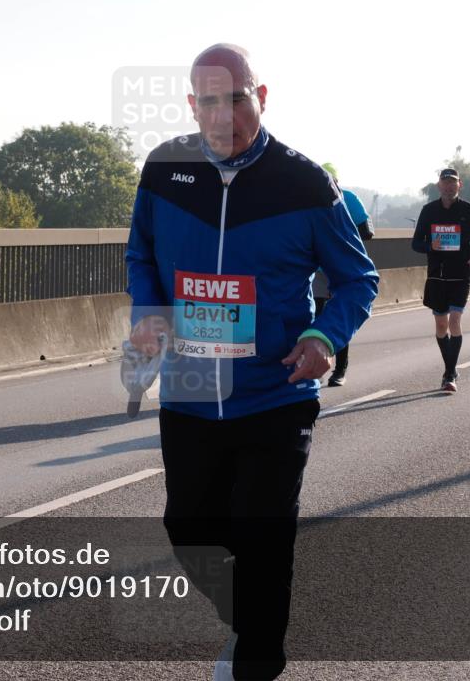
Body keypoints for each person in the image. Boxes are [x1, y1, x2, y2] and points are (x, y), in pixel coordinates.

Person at [126, 44, 379, 681]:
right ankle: (252, 626)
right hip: (187, 392)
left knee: (264, 542)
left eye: (236, 98)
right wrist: (150, 313)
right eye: (209, 101)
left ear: (262, 98)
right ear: (191, 105)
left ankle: (259, 653)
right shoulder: (164, 170)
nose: (223, 115)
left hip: (275, 394)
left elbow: (358, 279)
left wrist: (324, 336)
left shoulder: (303, 182)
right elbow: (142, 255)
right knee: (190, 532)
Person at [410, 167, 470, 392]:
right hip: (436, 275)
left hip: (461, 275)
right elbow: (415, 243)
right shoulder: (429, 211)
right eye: (445, 182)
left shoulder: (468, 210)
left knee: (455, 321)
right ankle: (451, 369)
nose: (449, 186)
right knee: (441, 325)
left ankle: (449, 375)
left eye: (453, 182)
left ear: (459, 185)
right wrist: (430, 246)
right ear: (439, 186)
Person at [313, 177, 374, 387]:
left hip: (343, 268)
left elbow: (367, 232)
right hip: (318, 269)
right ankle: (318, 367)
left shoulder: (349, 198)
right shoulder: (307, 198)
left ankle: (340, 370)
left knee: (339, 316)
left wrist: (342, 237)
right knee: (317, 316)